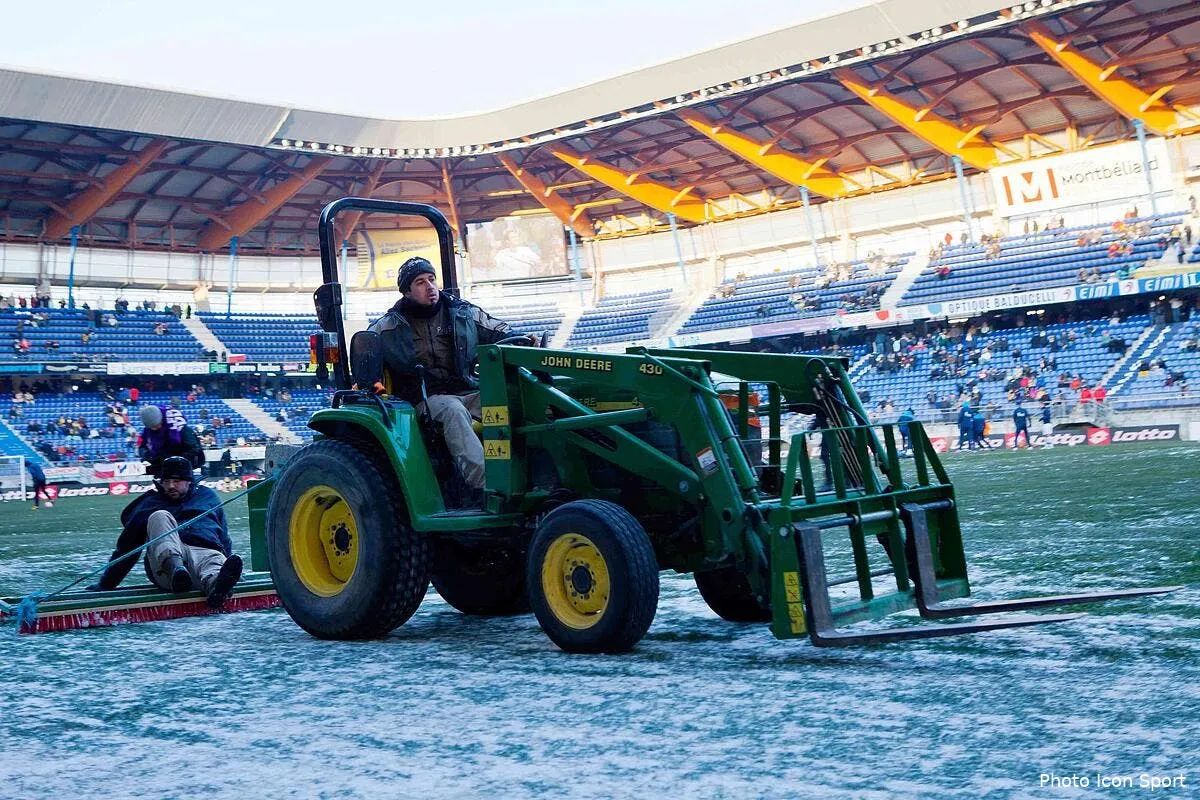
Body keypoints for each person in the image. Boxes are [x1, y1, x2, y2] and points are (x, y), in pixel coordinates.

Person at [370, 257, 521, 494]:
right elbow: (366, 351)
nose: (430, 287)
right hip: (425, 399)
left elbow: (498, 330)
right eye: (420, 282)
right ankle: (488, 488)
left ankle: (530, 475)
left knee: (515, 400)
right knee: (453, 410)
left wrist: (519, 339)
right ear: (407, 292)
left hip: (467, 390)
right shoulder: (388, 327)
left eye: (432, 279)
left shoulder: (463, 314)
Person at [86, 456, 242, 608]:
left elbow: (223, 537)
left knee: (212, 560)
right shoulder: (149, 504)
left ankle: (216, 586)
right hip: (165, 567)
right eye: (166, 481)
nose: (171, 486)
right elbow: (128, 547)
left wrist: (232, 568)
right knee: (160, 516)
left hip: (203, 552)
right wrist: (106, 584)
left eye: (176, 481)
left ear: (189, 481)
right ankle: (177, 572)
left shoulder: (208, 497)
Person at [137, 404, 204, 476]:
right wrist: (146, 459)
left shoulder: (181, 429)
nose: (155, 428)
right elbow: (144, 447)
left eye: (157, 425)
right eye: (152, 427)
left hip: (183, 464)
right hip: (163, 466)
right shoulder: (148, 432)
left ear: (162, 419)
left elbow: (195, 449)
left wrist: (174, 459)